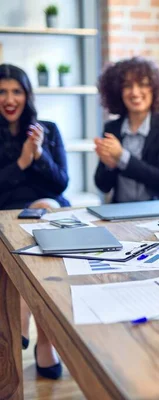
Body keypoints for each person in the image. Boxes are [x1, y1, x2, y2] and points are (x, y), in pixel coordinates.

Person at [0, 63, 67, 379]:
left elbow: (61, 183)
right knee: (35, 233)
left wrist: (40, 154)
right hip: (6, 214)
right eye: (2, 91)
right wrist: (23, 161)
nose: (9, 98)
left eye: (16, 91)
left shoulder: (48, 130)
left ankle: (26, 312)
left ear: (27, 96)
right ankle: (46, 346)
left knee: (44, 213)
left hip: (47, 209)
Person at [94, 57, 159, 202]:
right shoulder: (112, 128)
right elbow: (102, 186)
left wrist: (122, 156)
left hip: (158, 214)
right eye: (127, 86)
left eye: (143, 85)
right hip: (120, 212)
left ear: (155, 89)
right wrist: (109, 165)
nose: (135, 93)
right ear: (118, 91)